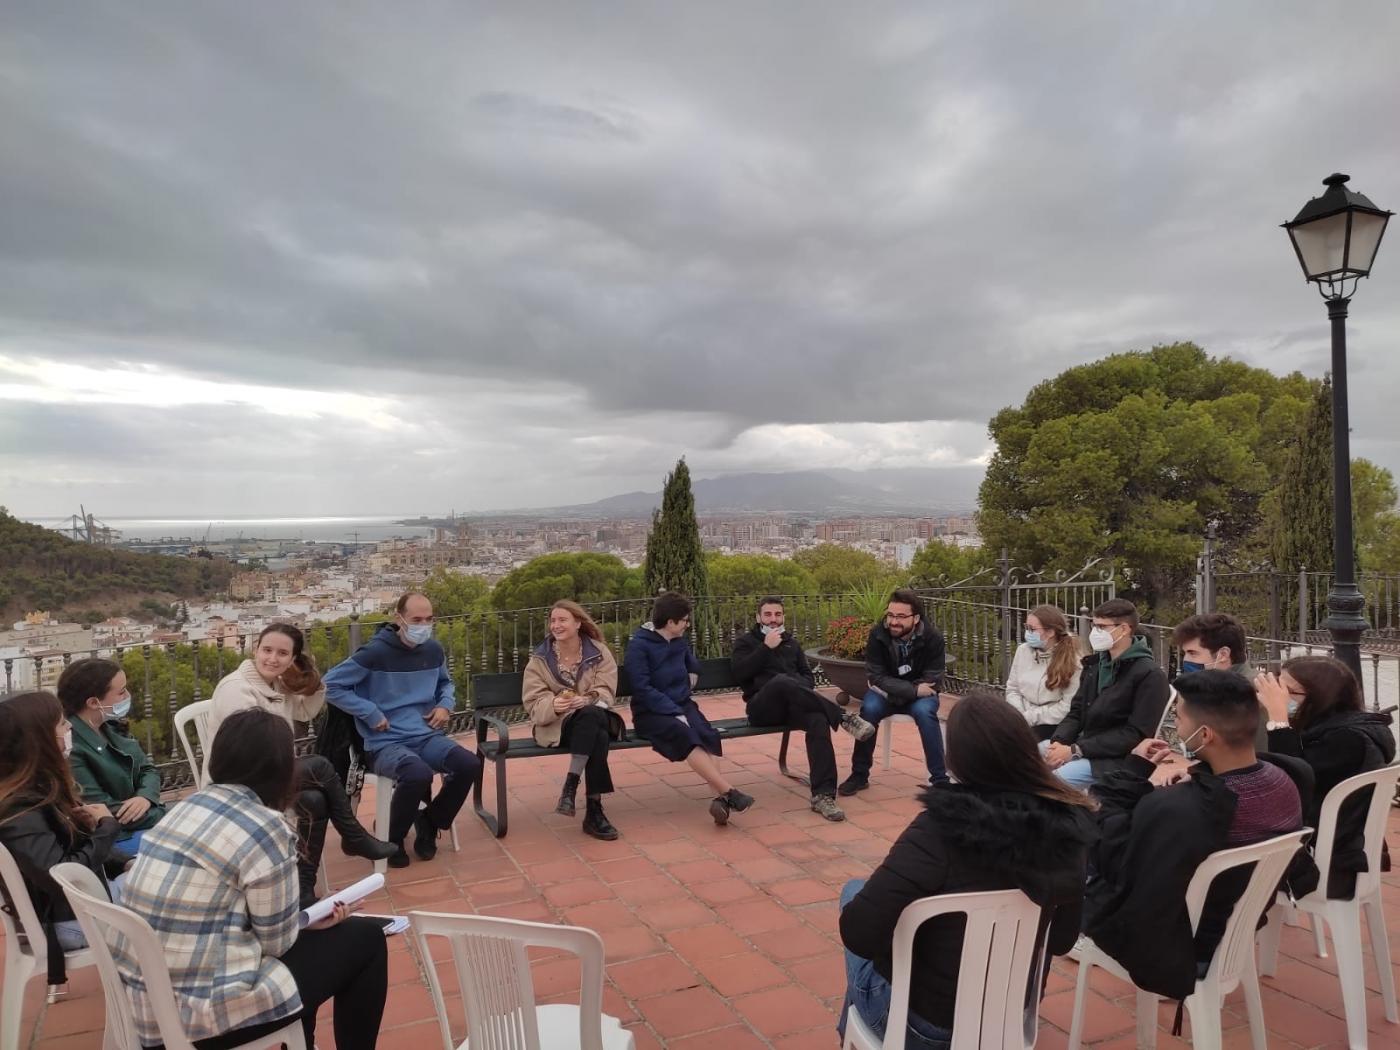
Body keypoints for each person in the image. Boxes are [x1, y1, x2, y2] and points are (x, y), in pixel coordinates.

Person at [116, 708, 387, 1050]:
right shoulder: (266, 828)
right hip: (201, 1019)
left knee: (318, 950)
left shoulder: (186, 806)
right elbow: (277, 943)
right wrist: (304, 922)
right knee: (365, 940)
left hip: (149, 1006)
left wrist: (304, 922)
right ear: (281, 770)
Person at [838, 692, 1097, 1049]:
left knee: (853, 893)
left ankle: (852, 1037)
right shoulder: (1070, 825)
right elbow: (1062, 940)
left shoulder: (938, 829)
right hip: (1010, 1018)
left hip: (924, 1028)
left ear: (957, 759)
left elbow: (859, 935)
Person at [1081, 670, 1316, 1006]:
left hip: (1184, 944)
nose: (1175, 728)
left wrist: (1131, 773)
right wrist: (1196, 773)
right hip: (1238, 924)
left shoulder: (1179, 810)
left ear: (1205, 734)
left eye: (1177, 717)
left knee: (1081, 861)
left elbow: (1116, 860)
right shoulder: (1289, 777)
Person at [210, 623, 396, 901]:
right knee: (320, 765)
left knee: (315, 801)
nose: (273, 658)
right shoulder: (237, 689)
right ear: (255, 649)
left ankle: (304, 889)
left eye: (283, 653)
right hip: (240, 781)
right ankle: (353, 835)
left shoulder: (276, 684)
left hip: (271, 775)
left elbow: (306, 712)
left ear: (293, 658)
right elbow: (252, 749)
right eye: (267, 650)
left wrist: (314, 682)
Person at [324, 593, 481, 867]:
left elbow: (446, 683)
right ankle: (392, 840)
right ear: (399, 619)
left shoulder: (433, 650)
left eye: (429, 619)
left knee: (468, 763)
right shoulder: (374, 653)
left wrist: (445, 705)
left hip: (426, 734)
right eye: (416, 620)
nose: (424, 625)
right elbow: (330, 685)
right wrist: (369, 712)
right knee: (416, 774)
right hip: (385, 742)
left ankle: (431, 821)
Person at [0, 690, 129, 990]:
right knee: (172, 892)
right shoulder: (20, 808)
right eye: (60, 724)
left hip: (71, 912)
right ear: (38, 739)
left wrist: (125, 862)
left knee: (154, 870)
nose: (70, 727)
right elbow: (63, 878)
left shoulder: (32, 789)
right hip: (68, 924)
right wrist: (106, 828)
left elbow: (70, 847)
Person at [1257, 655, 1396, 898]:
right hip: (1340, 846)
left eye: (1288, 692)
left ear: (1319, 698)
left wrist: (1278, 721)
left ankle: (1233, 930)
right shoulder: (1340, 729)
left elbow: (1288, 783)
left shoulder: (1346, 740)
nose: (1281, 698)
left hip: (1326, 860)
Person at [733, 596, 875, 822]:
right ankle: (842, 717)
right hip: (761, 709)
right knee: (780, 681)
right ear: (758, 617)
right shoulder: (746, 643)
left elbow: (808, 679)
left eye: (777, 614)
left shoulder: (791, 643)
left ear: (783, 616)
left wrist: (793, 685)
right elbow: (740, 674)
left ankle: (823, 796)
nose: (773, 619)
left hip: (792, 708)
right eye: (768, 614)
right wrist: (765, 648)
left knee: (818, 719)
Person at [624, 592, 755, 826]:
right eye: (684, 620)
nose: (687, 624)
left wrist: (693, 669)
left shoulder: (677, 640)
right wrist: (672, 711)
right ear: (671, 622)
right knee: (687, 736)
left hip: (683, 704)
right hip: (651, 713)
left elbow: (687, 656)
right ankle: (730, 792)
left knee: (708, 735)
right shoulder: (639, 646)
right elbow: (641, 688)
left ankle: (721, 800)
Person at [522, 600, 625, 841]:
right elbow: (533, 704)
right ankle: (594, 811)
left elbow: (607, 690)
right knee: (596, 728)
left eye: (562, 620)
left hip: (590, 719)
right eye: (553, 620)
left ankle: (572, 790)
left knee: (591, 719)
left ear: (578, 623)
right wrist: (554, 705)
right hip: (558, 727)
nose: (556, 625)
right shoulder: (540, 660)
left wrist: (588, 698)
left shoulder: (598, 652)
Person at [1042, 598, 1169, 790]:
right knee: (1025, 758)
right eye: (1094, 626)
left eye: (1102, 627)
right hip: (1081, 746)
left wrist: (1076, 750)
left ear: (1124, 629)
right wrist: (1058, 743)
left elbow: (1135, 734)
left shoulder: (1149, 675)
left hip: (1113, 760)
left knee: (1052, 784)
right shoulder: (1095, 665)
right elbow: (1076, 712)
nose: (1095, 633)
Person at [839, 589, 947, 796]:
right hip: (893, 693)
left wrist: (906, 690)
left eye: (900, 616)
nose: (893, 622)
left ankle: (940, 781)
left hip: (914, 695)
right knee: (869, 710)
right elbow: (876, 675)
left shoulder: (933, 638)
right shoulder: (878, 634)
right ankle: (859, 775)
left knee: (926, 714)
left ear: (915, 618)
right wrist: (913, 690)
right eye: (890, 615)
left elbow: (932, 678)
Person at [57, 658, 166, 854]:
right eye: (121, 691)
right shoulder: (72, 747)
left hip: (142, 821)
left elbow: (148, 770)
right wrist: (161, 813)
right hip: (118, 839)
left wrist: (145, 797)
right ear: (93, 702)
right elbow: (102, 809)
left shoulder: (111, 727)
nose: (128, 696)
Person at [1173, 612, 1266, 748]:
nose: (1186, 660)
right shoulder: (1217, 687)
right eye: (1184, 653)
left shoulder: (1249, 689)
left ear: (1223, 655)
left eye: (1193, 653)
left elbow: (1255, 752)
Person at [1004, 604, 1083, 742]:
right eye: (1026, 627)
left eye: (1032, 629)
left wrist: (1030, 717)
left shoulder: (1074, 661)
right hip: (1021, 715)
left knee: (1017, 743)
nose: (1027, 632)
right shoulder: (1023, 650)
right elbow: (1013, 688)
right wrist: (1019, 714)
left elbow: (1067, 707)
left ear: (1051, 632)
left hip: (1051, 722)